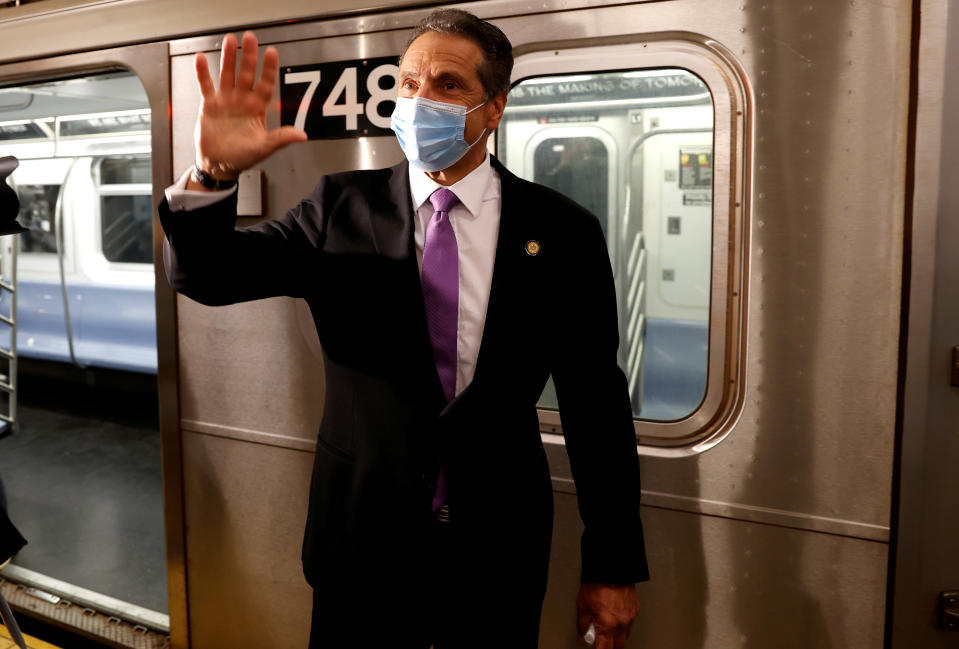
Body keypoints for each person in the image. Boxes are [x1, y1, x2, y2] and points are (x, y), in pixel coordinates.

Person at [159, 9, 648, 649]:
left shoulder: (561, 231)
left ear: (493, 108)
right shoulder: (339, 208)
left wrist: (611, 565)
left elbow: (596, 406)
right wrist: (212, 177)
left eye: (448, 85)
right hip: (361, 539)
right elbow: (209, 277)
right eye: (409, 83)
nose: (420, 101)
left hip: (498, 548)